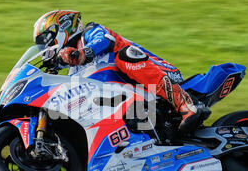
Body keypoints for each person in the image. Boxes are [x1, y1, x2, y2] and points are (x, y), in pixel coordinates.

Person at [33, 10, 204, 132]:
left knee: (125, 55)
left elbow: (104, 41)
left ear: (63, 28)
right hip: (132, 95)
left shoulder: (91, 32)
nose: (46, 48)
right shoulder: (74, 69)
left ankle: (186, 104)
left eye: (46, 41)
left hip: (161, 73)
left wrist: (82, 53)